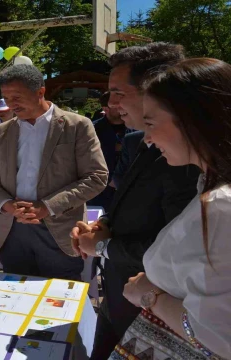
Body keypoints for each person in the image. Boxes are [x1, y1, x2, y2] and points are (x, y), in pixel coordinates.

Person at [71, 42, 200, 360]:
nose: (111, 105)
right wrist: (101, 226)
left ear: (155, 89)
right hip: (119, 296)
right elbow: (128, 201)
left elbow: (175, 252)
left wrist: (100, 247)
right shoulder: (139, 141)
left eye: (118, 92)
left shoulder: (188, 159)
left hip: (153, 311)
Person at [111, 58, 231, 359]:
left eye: (151, 123)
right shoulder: (209, 188)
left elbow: (219, 336)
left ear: (192, 119)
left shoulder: (220, 207)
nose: (148, 138)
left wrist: (150, 297)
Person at [0, 64, 108, 281]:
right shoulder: (3, 131)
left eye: (17, 97)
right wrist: (8, 206)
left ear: (40, 91)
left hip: (59, 229)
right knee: (14, 294)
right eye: (7, 98)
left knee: (59, 299)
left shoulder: (76, 126)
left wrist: (47, 207)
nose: (12, 105)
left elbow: (96, 177)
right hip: (12, 229)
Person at [88, 92, 131, 210]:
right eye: (117, 107)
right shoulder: (91, 130)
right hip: (99, 191)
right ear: (105, 109)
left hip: (128, 190)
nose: (123, 108)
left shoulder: (134, 129)